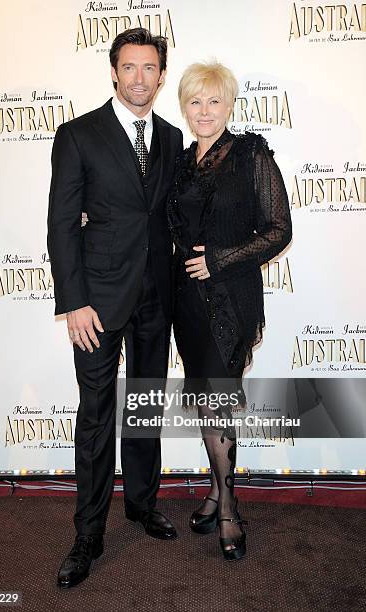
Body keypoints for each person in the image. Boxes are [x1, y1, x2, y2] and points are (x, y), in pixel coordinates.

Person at [47, 28, 183, 588]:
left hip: (158, 297)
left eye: (150, 68)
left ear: (160, 74)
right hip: (97, 305)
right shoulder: (78, 135)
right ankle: (88, 534)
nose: (140, 79)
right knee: (98, 417)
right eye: (130, 67)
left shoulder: (172, 138)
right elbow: (61, 224)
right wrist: (74, 300)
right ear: (113, 71)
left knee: (145, 406)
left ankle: (143, 503)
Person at [168, 62, 292, 561]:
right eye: (195, 102)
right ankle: (219, 488)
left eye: (213, 101)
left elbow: (278, 229)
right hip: (186, 304)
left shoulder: (250, 154)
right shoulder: (178, 164)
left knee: (219, 399)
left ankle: (229, 508)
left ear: (229, 105)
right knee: (204, 397)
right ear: (185, 106)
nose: (204, 111)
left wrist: (219, 260)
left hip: (230, 300)